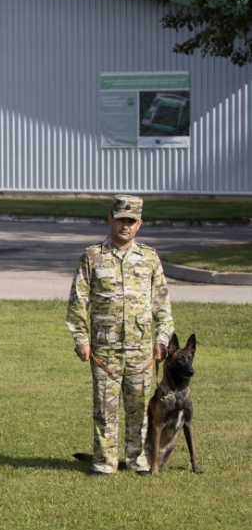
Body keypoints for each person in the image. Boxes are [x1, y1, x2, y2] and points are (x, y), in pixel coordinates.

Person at [65, 194, 174, 476]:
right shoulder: (92, 257)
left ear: (139, 224)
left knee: (139, 411)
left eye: (131, 221)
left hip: (141, 352)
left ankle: (138, 461)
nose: (125, 226)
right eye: (121, 219)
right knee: (105, 411)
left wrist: (162, 341)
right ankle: (104, 463)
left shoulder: (149, 258)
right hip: (104, 351)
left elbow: (162, 305)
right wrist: (81, 340)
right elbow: (78, 302)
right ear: (110, 220)